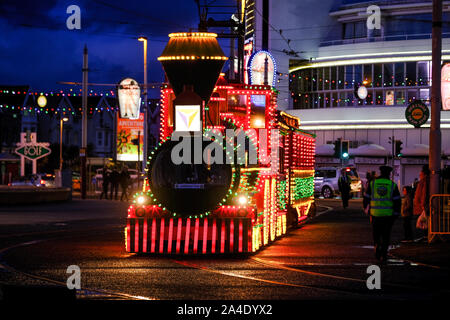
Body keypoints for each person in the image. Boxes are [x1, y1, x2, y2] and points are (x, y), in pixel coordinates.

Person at [363, 165, 401, 263]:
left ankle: (377, 246)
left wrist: (366, 209)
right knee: (386, 236)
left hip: (375, 215)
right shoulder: (392, 185)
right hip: (388, 216)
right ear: (389, 174)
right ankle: (384, 254)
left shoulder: (373, 183)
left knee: (376, 234)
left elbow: (366, 198)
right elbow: (397, 201)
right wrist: (396, 213)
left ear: (380, 173)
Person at [413, 165, 430, 241]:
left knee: (424, 220)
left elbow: (424, 193)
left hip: (422, 205)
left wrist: (423, 204)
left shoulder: (424, 181)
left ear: (424, 174)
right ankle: (426, 236)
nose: (419, 176)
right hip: (421, 204)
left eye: (420, 174)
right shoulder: (424, 180)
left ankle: (426, 236)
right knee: (424, 220)